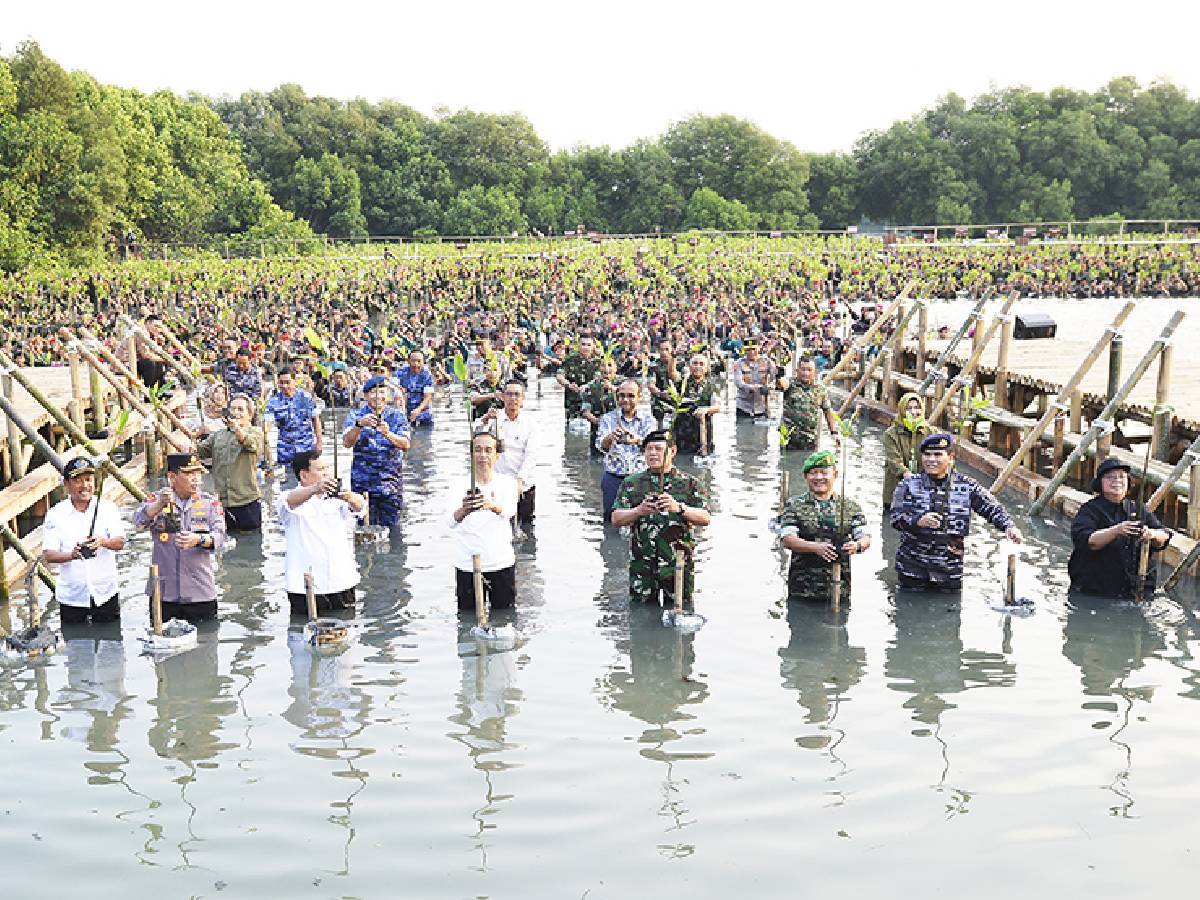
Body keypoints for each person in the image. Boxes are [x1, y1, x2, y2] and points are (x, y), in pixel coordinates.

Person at [889, 433, 1022, 591]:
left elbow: (992, 507)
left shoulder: (966, 486)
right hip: (912, 568)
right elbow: (895, 518)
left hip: (949, 571)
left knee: (949, 611)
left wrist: (1009, 527)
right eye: (927, 455)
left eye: (938, 455)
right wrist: (917, 521)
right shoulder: (908, 485)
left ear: (951, 457)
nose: (931, 460)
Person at [610, 430, 711, 605]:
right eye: (649, 449)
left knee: (681, 613)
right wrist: (639, 511)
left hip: (677, 565)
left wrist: (678, 508)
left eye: (658, 449)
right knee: (641, 616)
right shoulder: (631, 483)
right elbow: (616, 519)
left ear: (672, 451)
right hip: (642, 564)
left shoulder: (689, 483)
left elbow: (705, 518)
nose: (653, 453)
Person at [132, 453, 227, 623]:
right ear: (172, 477)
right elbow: (138, 523)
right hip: (164, 593)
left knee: (206, 643)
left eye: (198, 474)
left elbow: (220, 537)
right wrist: (159, 504)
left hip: (200, 592)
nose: (196, 480)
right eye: (189, 474)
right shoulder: (156, 500)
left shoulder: (209, 503)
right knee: (162, 643)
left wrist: (198, 540)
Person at [1068, 456, 1172, 597]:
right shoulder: (1089, 510)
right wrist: (1117, 530)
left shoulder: (1139, 509)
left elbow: (1164, 536)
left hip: (1136, 592)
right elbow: (1087, 541)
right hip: (1095, 592)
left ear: (1128, 482)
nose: (1116, 481)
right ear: (1100, 483)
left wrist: (1152, 534)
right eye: (1110, 477)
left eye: (1121, 477)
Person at [279, 449, 366, 615]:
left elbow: (360, 507)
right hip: (303, 586)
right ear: (304, 475)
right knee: (305, 635)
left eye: (327, 469)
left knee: (345, 633)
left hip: (341, 580)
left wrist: (347, 497)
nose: (326, 474)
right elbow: (289, 501)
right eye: (320, 470)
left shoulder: (337, 498)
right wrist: (315, 489)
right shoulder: (289, 497)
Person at [41, 457, 126, 625]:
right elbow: (49, 554)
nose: (85, 485)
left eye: (88, 480)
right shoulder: (55, 514)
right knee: (75, 646)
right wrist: (72, 555)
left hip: (105, 593)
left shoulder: (108, 508)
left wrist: (102, 542)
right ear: (66, 484)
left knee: (112, 645)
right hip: (72, 597)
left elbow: (120, 542)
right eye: (77, 481)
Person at [778, 450, 870, 603]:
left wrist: (857, 546)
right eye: (813, 473)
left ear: (835, 474)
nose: (819, 477)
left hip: (840, 589)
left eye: (824, 473)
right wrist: (815, 547)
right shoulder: (794, 505)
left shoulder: (849, 506)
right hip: (802, 589)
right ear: (806, 477)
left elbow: (865, 537)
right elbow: (788, 539)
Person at [449, 431, 519, 611]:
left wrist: (491, 505)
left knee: (505, 619)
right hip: (467, 563)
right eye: (478, 450)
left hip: (500, 562)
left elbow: (510, 511)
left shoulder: (508, 483)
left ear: (497, 456)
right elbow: (449, 521)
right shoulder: (458, 484)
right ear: (471, 454)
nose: (483, 455)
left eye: (488, 450)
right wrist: (465, 509)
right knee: (467, 620)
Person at [341, 375, 411, 527]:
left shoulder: (397, 416)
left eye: (382, 392)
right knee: (364, 527)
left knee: (393, 528)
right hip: (362, 483)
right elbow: (346, 443)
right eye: (373, 392)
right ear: (365, 396)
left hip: (390, 483)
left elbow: (405, 445)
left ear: (388, 395)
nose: (378, 396)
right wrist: (359, 425)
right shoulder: (355, 415)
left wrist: (388, 434)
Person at [196, 393, 264, 532]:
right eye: (233, 409)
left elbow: (251, 444)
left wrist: (236, 428)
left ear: (249, 415)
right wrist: (194, 438)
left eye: (240, 409)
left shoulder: (255, 432)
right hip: (223, 502)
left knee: (251, 542)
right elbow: (199, 451)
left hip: (247, 501)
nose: (236, 413)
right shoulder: (218, 435)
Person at [596, 379, 657, 523]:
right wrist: (610, 437)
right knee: (611, 520)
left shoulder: (648, 420)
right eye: (622, 396)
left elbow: (654, 448)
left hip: (640, 478)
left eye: (631, 396)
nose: (625, 400)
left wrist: (638, 440)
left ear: (639, 397)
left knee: (642, 521)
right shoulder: (608, 419)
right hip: (613, 477)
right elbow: (600, 447)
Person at [485, 379, 537, 527]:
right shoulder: (493, 419)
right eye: (509, 394)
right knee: (498, 525)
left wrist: (520, 480)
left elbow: (531, 455)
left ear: (523, 398)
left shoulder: (530, 424)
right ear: (502, 397)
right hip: (498, 483)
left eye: (517, 395)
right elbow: (476, 439)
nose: (513, 398)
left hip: (523, 484)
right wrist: (485, 420)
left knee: (526, 527)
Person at [882, 391, 933, 510]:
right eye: (908, 408)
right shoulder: (891, 434)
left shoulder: (931, 432)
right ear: (901, 410)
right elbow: (894, 461)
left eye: (917, 408)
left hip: (924, 494)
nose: (913, 412)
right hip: (896, 491)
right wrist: (909, 477)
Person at [779, 356, 840, 453]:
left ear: (814, 371)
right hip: (789, 440)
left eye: (809, 370)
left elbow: (827, 411)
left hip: (811, 440)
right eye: (803, 370)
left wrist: (834, 433)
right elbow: (781, 385)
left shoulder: (820, 389)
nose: (806, 373)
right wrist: (779, 376)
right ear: (797, 371)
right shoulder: (791, 384)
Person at [265, 369, 322, 471]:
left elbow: (315, 420)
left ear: (294, 381)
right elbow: (267, 425)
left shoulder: (305, 397)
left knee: (309, 477)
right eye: (281, 383)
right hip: (285, 449)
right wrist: (264, 442)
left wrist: (319, 443)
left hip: (306, 446)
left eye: (287, 382)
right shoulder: (273, 402)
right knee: (289, 482)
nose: (284, 386)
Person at [670, 355, 720, 455]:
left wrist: (706, 410)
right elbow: (672, 373)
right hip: (681, 435)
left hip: (703, 434)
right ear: (689, 366)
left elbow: (717, 407)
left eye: (701, 364)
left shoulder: (711, 386)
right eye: (695, 363)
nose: (698, 366)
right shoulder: (682, 383)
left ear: (706, 369)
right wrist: (674, 356)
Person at [580, 358, 619, 456]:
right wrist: (598, 421)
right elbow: (585, 411)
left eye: (610, 365)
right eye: (603, 365)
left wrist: (613, 389)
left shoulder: (624, 384)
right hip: (598, 432)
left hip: (619, 431)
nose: (606, 369)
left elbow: (632, 405)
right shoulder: (592, 387)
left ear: (616, 368)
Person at [557, 335, 600, 421]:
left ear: (593, 347)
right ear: (578, 345)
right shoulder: (570, 359)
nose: (586, 347)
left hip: (593, 403)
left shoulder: (598, 361)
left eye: (589, 345)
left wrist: (587, 386)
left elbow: (600, 379)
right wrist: (569, 385)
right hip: (573, 402)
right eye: (583, 344)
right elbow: (559, 376)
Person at [732, 341, 774, 419]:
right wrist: (752, 387)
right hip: (744, 407)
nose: (751, 352)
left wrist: (770, 386)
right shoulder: (738, 364)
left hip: (762, 406)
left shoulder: (767, 362)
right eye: (748, 350)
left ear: (758, 348)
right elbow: (738, 383)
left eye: (754, 349)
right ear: (744, 350)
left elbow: (774, 378)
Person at [393, 349, 435, 426]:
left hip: (423, 411)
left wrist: (418, 410)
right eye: (413, 361)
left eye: (419, 361)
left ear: (423, 362)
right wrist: (398, 389)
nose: (416, 364)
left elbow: (428, 396)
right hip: (404, 411)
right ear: (408, 361)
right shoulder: (400, 372)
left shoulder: (426, 374)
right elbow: (393, 385)